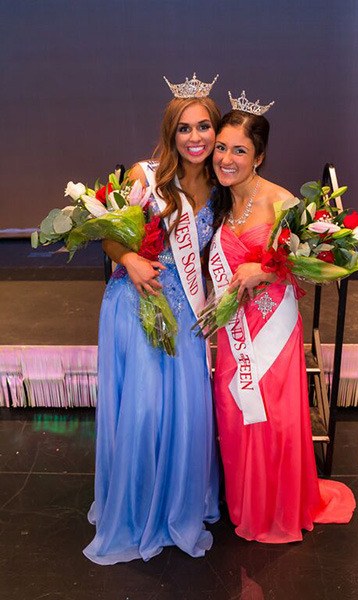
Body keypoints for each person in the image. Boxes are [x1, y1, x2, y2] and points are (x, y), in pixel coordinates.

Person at [83, 74, 221, 564]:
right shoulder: (145, 176)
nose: (195, 138)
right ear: (170, 132)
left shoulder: (221, 185)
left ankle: (177, 500)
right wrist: (129, 259)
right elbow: (107, 234)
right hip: (136, 300)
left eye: (204, 127)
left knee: (184, 412)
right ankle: (137, 506)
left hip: (185, 309)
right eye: (184, 128)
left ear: (216, 130)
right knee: (143, 411)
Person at [209, 93, 356, 543]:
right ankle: (245, 500)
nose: (227, 159)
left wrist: (263, 269)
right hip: (235, 328)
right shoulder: (218, 201)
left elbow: (305, 262)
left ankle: (276, 505)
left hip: (272, 325)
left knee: (273, 415)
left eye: (239, 150)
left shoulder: (282, 200)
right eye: (221, 147)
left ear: (259, 157)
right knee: (234, 410)